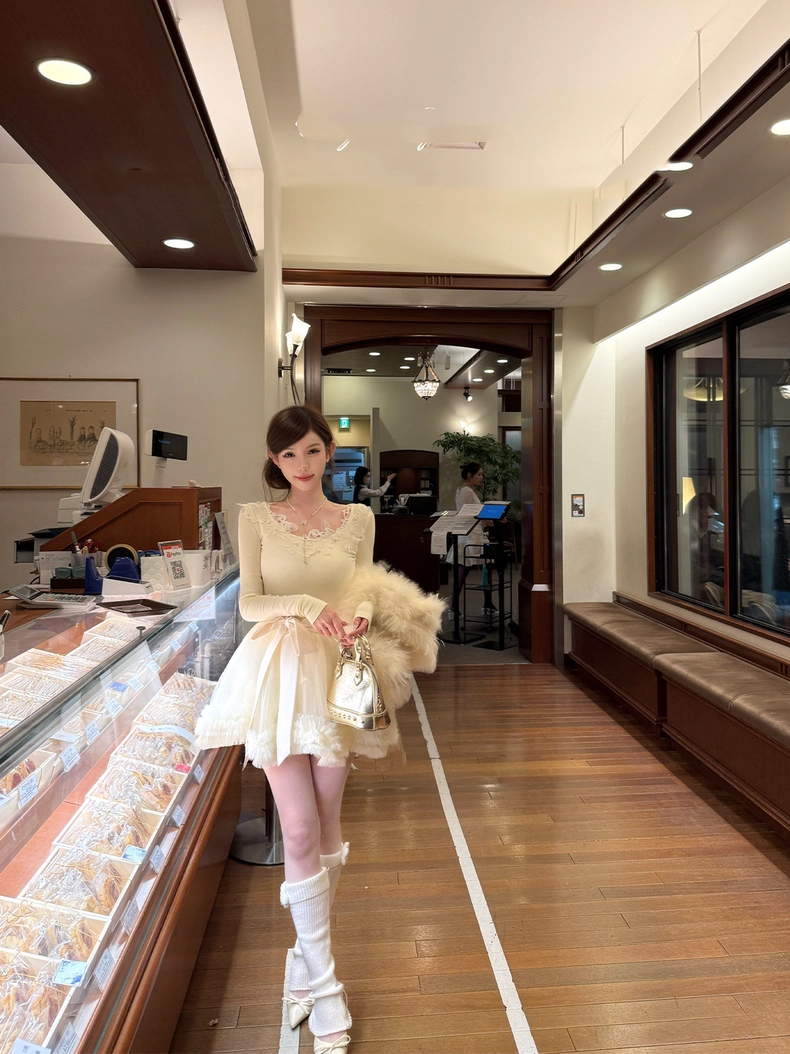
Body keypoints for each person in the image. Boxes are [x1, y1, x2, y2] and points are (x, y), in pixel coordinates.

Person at [194, 405, 442, 1054]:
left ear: (329, 452)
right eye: (288, 455)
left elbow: (363, 587)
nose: (301, 465)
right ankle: (327, 988)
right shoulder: (254, 517)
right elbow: (250, 601)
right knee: (299, 829)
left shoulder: (358, 518)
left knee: (327, 827)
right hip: (277, 672)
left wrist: (359, 613)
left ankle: (305, 962)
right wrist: (305, 605)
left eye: (311, 451)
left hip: (338, 674)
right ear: (274, 461)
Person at [445, 462, 495, 614]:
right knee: (471, 567)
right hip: (472, 534)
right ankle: (458, 606)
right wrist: (485, 518)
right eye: (479, 474)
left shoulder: (462, 490)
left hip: (469, 533)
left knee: (474, 567)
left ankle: (483, 604)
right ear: (469, 475)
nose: (481, 477)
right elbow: (469, 513)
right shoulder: (467, 491)